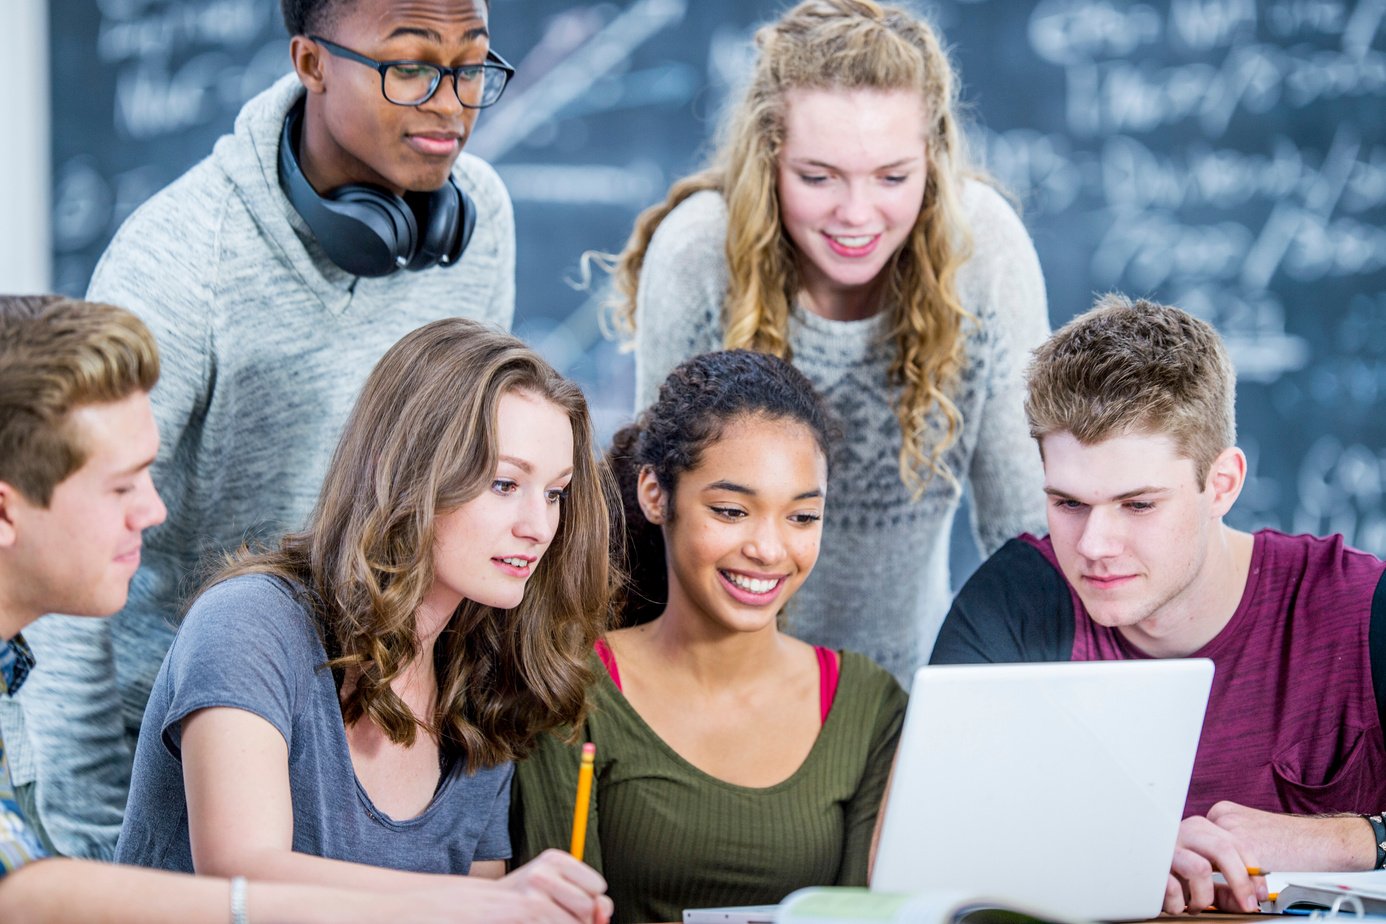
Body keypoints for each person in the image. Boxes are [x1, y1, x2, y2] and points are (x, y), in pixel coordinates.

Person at [12, 0, 520, 860]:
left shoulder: (478, 216)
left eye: (472, 66)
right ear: (310, 62)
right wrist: (95, 839)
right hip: (197, 753)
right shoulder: (179, 260)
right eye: (410, 66)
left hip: (392, 742)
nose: (451, 102)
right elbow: (63, 560)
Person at [0, 296, 601, 923]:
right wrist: (486, 903)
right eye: (504, 484)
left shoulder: (483, 671)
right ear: (409, 476)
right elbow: (243, 871)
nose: (541, 526)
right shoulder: (253, 622)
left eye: (556, 493)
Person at [608, 0, 1049, 679]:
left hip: (903, 695)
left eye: (893, 177)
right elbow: (656, 526)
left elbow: (1026, 533)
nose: (856, 214)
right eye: (818, 177)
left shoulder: (983, 249)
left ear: (933, 159)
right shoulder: (697, 252)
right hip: (720, 688)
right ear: (769, 155)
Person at [930, 294, 1386, 914]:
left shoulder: (1361, 607)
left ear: (1221, 484)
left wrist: (1345, 839)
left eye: (1138, 505)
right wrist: (1116, 849)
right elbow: (914, 856)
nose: (1094, 545)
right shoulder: (1016, 598)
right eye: (1068, 503)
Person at [511, 350, 908, 924]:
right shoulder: (570, 691)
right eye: (730, 510)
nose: (769, 550)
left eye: (801, 517)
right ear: (656, 494)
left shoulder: (869, 706)